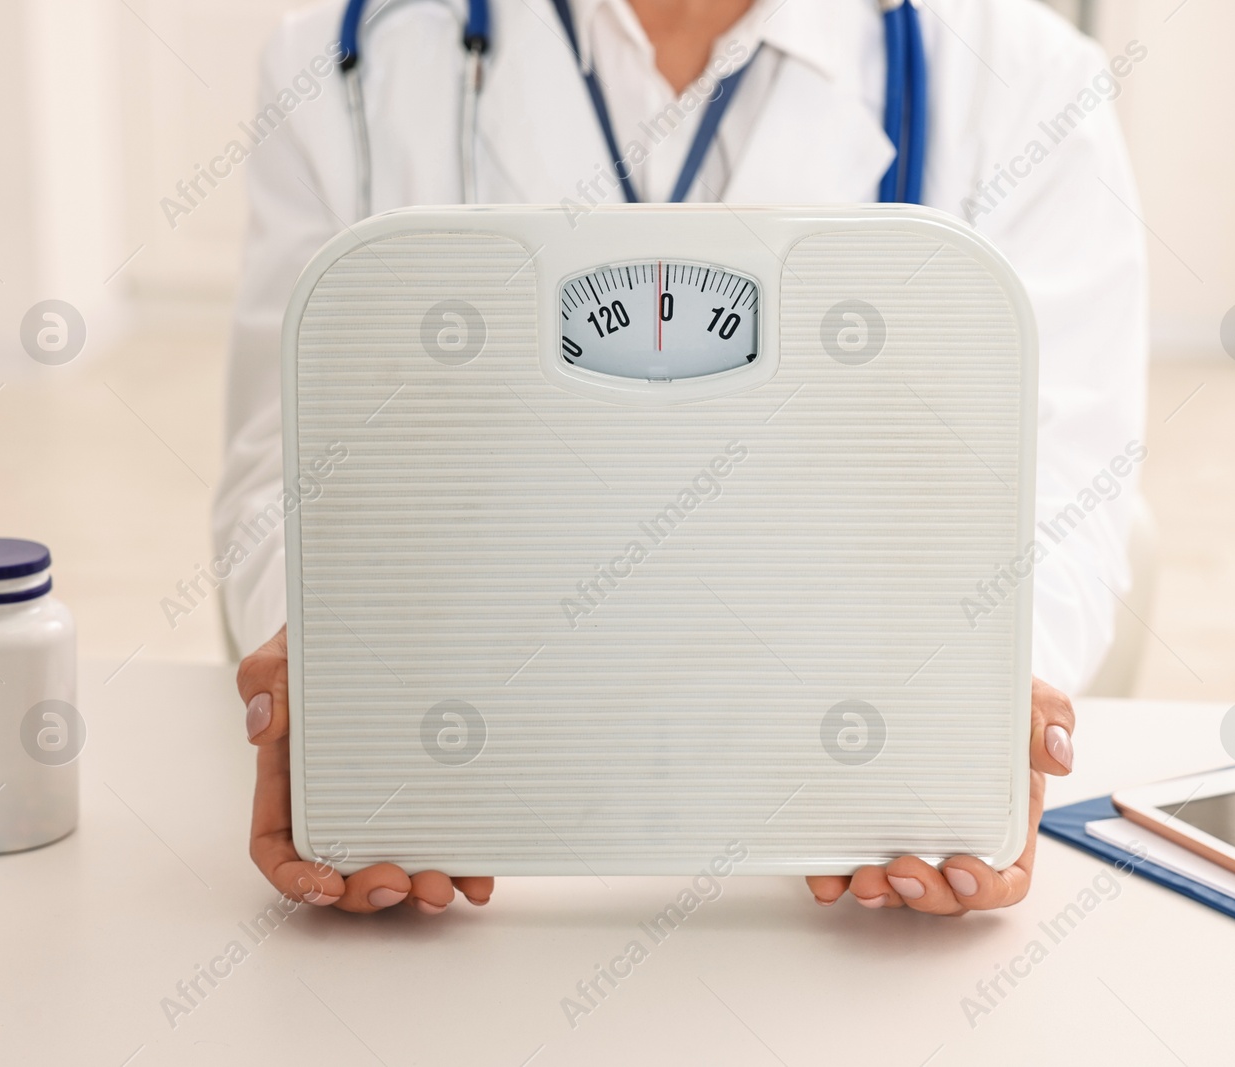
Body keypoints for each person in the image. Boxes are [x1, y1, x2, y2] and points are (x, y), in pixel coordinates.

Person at [215, 0, 1146, 916]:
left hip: (818, 882)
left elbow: (1067, 485)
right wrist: (342, 687)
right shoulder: (342, 64)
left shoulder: (1028, 80)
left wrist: (970, 710)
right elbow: (279, 467)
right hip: (487, 818)